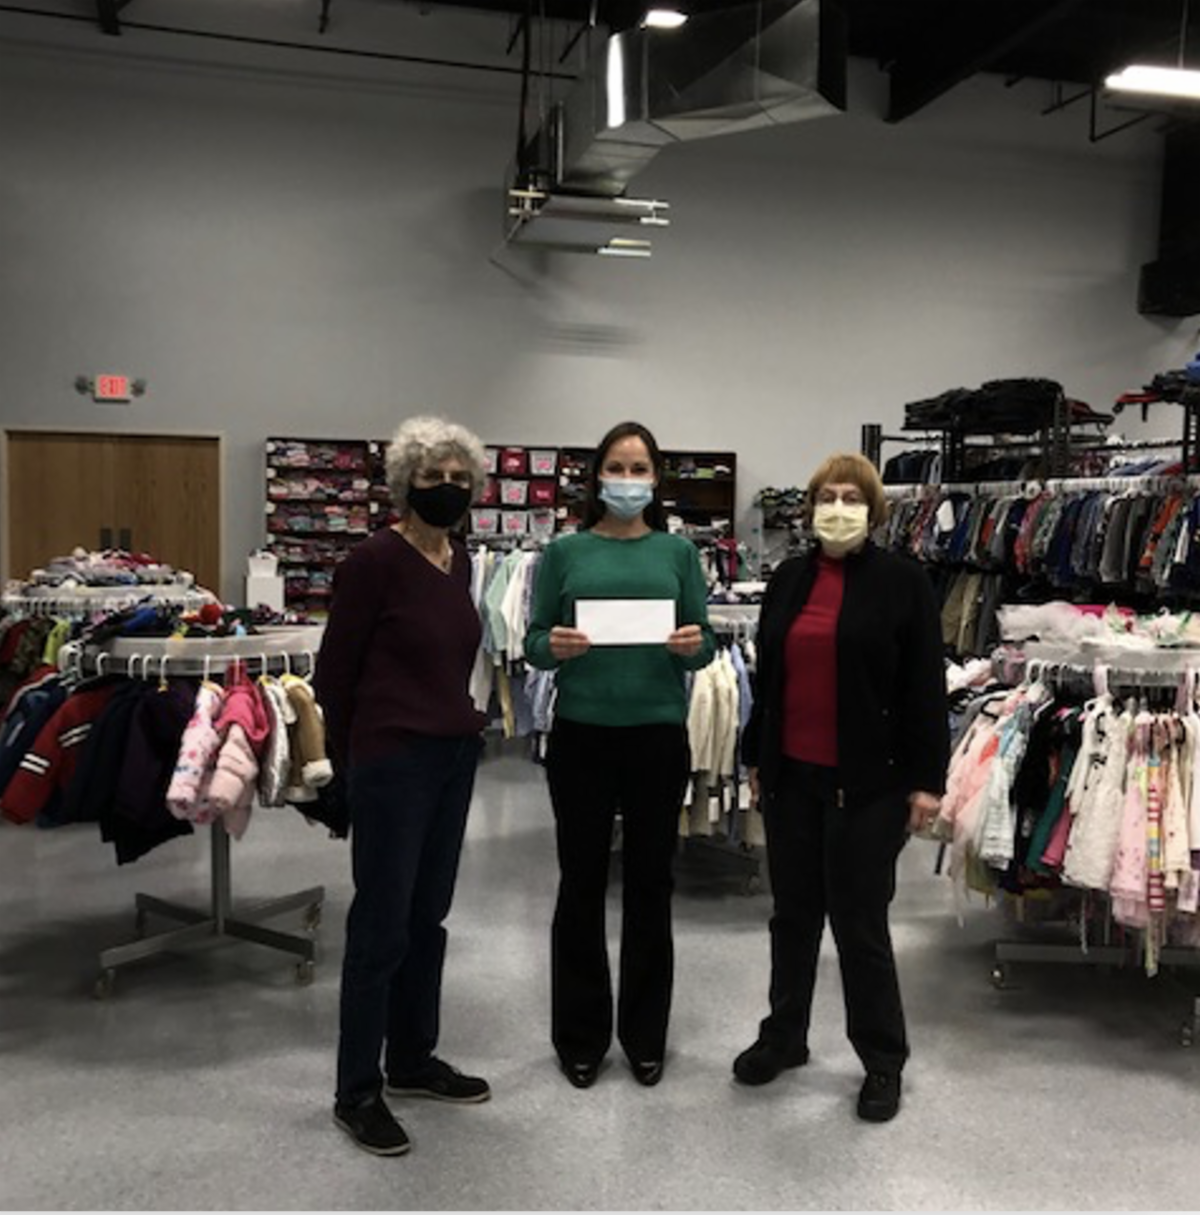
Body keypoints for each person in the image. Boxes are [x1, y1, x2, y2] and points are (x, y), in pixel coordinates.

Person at [733, 451, 949, 1123]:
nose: (838, 508)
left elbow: (924, 686)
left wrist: (927, 781)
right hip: (792, 778)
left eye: (852, 498)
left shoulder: (904, 581)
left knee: (860, 925)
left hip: (871, 785)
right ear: (810, 507)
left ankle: (883, 1059)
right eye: (827, 496)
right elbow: (770, 679)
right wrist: (756, 755)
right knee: (792, 917)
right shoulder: (789, 578)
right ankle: (784, 1036)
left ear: (874, 510)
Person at [315, 415, 490, 1157]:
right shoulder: (372, 562)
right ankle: (357, 1089)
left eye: (459, 478)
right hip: (392, 761)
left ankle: (413, 1058)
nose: (447, 488)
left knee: (428, 916)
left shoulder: (460, 560)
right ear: (403, 483)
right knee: (381, 924)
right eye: (432, 476)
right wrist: (347, 766)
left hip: (453, 755)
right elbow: (334, 675)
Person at [525, 421, 716, 1089]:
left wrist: (693, 646)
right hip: (581, 733)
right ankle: (580, 1036)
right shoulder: (565, 552)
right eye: (617, 467)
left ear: (656, 479)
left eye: (639, 469)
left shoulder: (678, 554)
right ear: (597, 477)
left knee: (650, 885)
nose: (627, 480)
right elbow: (534, 641)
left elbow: (704, 641)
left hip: (656, 736)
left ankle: (644, 1034)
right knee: (580, 882)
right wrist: (555, 647)